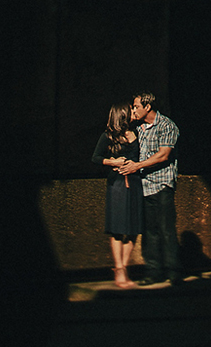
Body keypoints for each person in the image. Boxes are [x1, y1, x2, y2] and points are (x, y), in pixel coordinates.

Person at [119, 90, 183, 286]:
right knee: (149, 232)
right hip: (144, 186)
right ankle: (153, 272)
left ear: (148, 106)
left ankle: (173, 272)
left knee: (165, 229)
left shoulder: (167, 125)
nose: (134, 110)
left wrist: (137, 166)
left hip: (162, 183)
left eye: (136, 107)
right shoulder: (138, 127)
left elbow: (164, 155)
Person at [91, 101, 143, 288]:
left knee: (133, 228)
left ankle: (125, 267)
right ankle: (119, 268)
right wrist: (112, 162)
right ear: (122, 114)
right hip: (118, 185)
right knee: (118, 228)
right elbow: (95, 157)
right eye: (130, 110)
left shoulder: (135, 133)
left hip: (135, 184)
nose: (133, 111)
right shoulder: (108, 136)